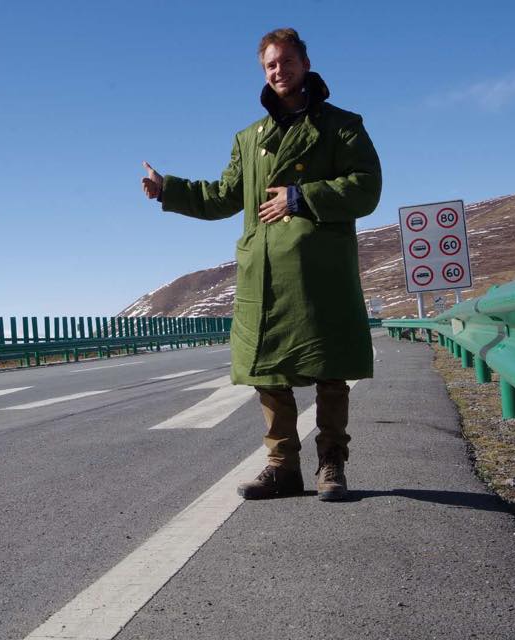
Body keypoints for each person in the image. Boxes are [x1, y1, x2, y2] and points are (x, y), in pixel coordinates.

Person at [141, 28, 381, 501]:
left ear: (305, 64)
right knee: (267, 370)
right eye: (271, 64)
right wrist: (170, 189)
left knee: (330, 367)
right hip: (265, 271)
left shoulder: (342, 125)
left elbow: (366, 188)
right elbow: (224, 196)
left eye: (287, 61)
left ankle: (332, 463)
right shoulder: (249, 138)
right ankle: (282, 467)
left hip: (321, 270)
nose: (279, 70)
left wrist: (301, 197)